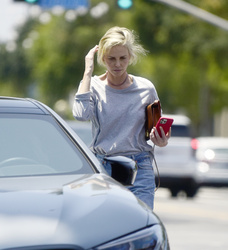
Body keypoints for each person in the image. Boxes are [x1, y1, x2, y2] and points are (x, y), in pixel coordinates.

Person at [73, 26, 171, 210]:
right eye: (111, 58)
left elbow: (157, 129)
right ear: (103, 59)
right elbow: (80, 114)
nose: (117, 64)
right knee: (107, 226)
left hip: (140, 167)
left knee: (141, 223)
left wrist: (162, 140)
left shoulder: (146, 88)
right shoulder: (92, 86)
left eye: (122, 58)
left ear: (130, 57)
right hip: (104, 167)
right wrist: (87, 71)